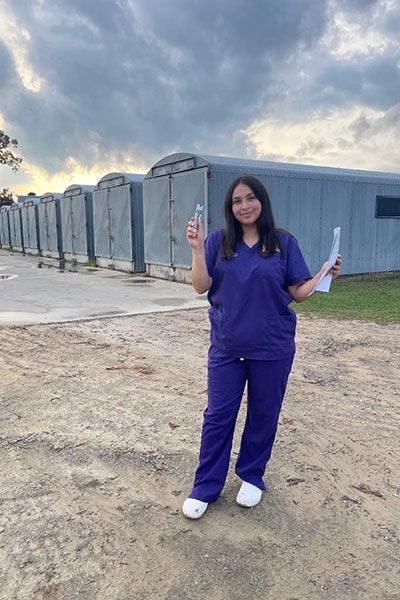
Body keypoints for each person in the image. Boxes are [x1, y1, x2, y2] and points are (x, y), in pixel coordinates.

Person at [182, 175, 341, 519]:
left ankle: (251, 476)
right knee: (218, 416)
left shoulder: (282, 243)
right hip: (227, 346)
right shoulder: (217, 241)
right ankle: (205, 485)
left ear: (262, 202)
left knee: (263, 414)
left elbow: (297, 291)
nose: (244, 206)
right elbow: (200, 286)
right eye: (236, 201)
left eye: (250, 198)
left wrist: (321, 276)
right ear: (230, 208)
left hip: (272, 347)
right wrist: (196, 250)